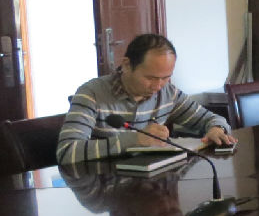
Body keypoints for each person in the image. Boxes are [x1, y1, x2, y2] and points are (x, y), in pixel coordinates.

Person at [57, 34, 235, 165]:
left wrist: (216, 129)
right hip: (105, 185)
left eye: (166, 77)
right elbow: (67, 152)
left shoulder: (168, 93)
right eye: (150, 78)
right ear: (127, 65)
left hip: (153, 184)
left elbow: (211, 118)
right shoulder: (91, 94)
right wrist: (135, 139)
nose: (158, 86)